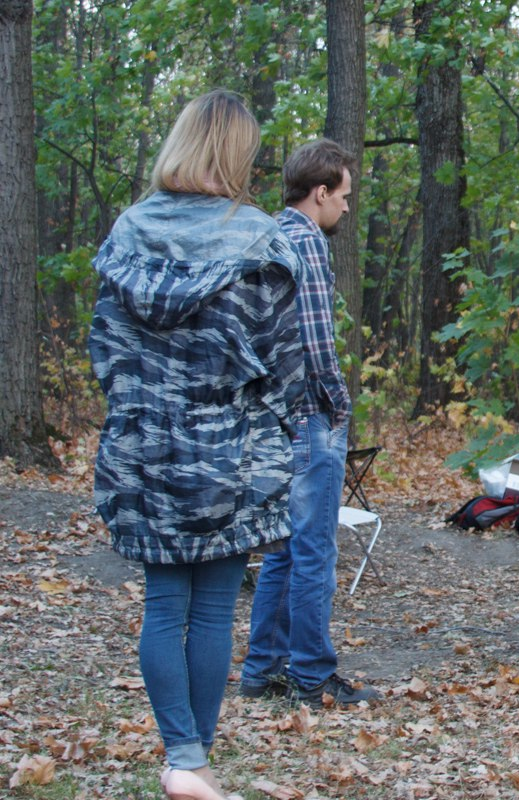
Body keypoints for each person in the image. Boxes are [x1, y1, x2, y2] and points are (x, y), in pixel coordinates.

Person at [89, 90, 305, 800]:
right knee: (212, 610)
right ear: (238, 152)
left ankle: (185, 757)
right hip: (228, 450)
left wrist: (142, 408)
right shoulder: (261, 240)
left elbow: (105, 351)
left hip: (144, 445)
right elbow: (285, 365)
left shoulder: (128, 232)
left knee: (163, 604)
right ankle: (193, 764)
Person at [241, 139, 381, 707]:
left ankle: (262, 669)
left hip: (274, 418)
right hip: (307, 415)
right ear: (320, 192)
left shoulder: (267, 234)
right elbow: (318, 339)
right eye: (343, 195)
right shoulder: (305, 241)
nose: (346, 206)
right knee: (315, 550)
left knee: (282, 547)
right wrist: (337, 404)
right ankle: (311, 676)